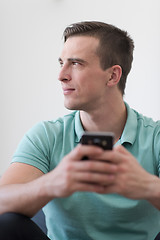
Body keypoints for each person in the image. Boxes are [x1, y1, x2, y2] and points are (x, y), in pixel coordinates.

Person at [0, 21, 160, 240]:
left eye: (75, 63)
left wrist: (149, 187)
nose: (61, 75)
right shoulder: (47, 135)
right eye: (61, 63)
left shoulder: (155, 137)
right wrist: (52, 183)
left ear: (112, 76)